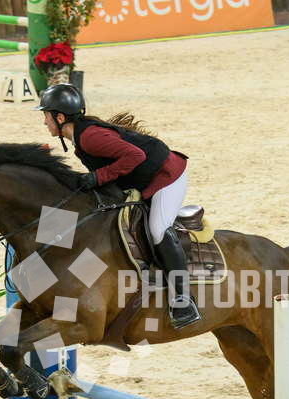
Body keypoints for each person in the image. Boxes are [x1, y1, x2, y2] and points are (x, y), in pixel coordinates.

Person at [35, 83, 201, 329]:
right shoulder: (80, 137)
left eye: (46, 116)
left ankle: (183, 299)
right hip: (142, 179)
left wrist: (98, 177)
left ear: (60, 118)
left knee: (158, 229)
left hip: (167, 177)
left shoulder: (89, 137)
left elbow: (136, 156)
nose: (44, 122)